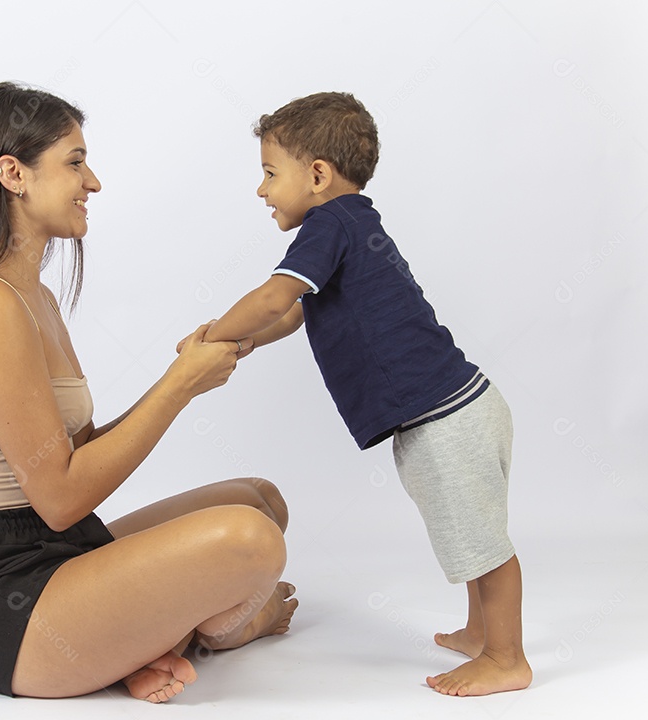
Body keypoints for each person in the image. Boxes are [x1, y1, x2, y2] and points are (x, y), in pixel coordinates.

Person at [0, 81, 298, 703]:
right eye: (75, 163)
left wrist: (188, 377)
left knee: (261, 501)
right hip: (6, 601)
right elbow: (61, 497)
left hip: (64, 550)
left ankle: (141, 644)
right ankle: (215, 631)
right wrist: (178, 386)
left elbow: (76, 458)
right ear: (13, 174)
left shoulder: (36, 297)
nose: (94, 182)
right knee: (251, 541)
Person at [189, 91, 532, 696]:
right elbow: (294, 314)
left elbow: (273, 297)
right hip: (458, 410)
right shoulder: (353, 223)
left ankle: (507, 658)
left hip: (447, 417)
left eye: (270, 173)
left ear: (318, 175)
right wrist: (244, 343)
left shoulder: (330, 224)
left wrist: (213, 334)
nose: (262, 190)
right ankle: (482, 632)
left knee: (483, 544)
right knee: (470, 532)